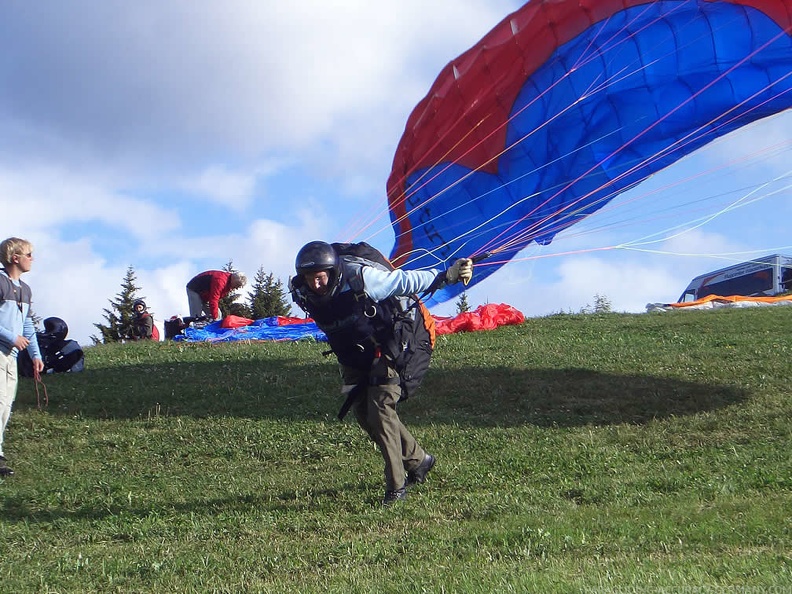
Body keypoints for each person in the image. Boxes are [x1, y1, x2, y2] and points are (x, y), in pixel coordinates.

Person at [290, 241, 472, 505]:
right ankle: (419, 461)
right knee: (363, 413)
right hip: (354, 353)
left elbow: (403, 281)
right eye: (309, 279)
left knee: (381, 409)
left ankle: (396, 487)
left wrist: (446, 274)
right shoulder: (302, 291)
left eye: (319, 278)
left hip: (390, 342)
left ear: (332, 271)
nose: (315, 285)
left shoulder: (363, 279)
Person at [0, 237, 44, 477]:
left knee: (7, 403)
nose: (32, 259)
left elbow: (27, 323)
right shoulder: (0, 283)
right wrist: (10, 337)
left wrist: (35, 353)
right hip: (0, 350)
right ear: (14, 258)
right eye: (28, 255)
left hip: (12, 356)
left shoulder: (25, 290)